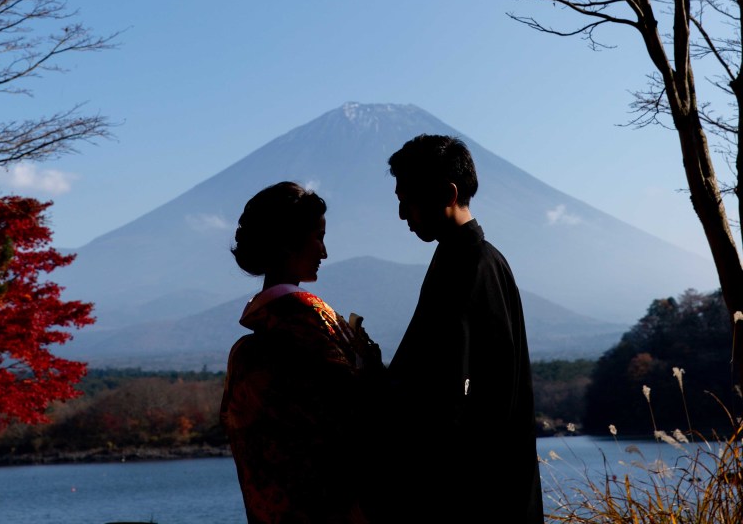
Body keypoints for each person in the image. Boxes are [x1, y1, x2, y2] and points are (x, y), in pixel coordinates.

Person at [386, 134, 544, 524]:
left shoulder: (466, 267)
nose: (403, 215)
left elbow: (445, 389)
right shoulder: (482, 260)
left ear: (446, 193)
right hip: (501, 487)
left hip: (476, 495)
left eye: (407, 200)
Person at [221, 181, 380, 524]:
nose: (324, 252)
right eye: (318, 237)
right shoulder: (314, 324)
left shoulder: (246, 349)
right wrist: (372, 369)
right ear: (288, 242)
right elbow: (359, 415)